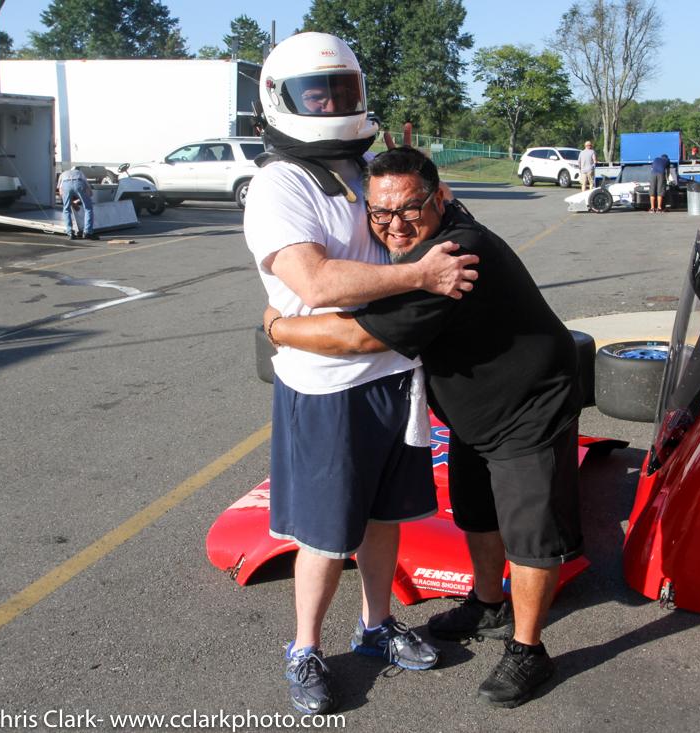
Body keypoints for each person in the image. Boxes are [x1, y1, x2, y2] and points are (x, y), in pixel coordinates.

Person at [264, 146, 583, 709]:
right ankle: (489, 605)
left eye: (410, 209)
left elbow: (356, 337)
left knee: (530, 535)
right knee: (477, 512)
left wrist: (276, 328)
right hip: (475, 408)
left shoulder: (448, 263)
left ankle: (529, 649)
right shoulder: (428, 241)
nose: (395, 225)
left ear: (438, 199)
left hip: (529, 403)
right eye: (380, 213)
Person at [243, 33, 479, 716]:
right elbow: (316, 282)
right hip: (328, 385)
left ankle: (376, 627)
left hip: (393, 374)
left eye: (340, 91)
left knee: (384, 516)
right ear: (280, 99)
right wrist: (419, 275)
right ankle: (304, 647)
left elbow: (423, 222)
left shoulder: (364, 166)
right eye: (316, 94)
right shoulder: (279, 183)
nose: (330, 104)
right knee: (325, 534)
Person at [57, 167, 96, 240]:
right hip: (79, 182)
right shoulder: (79, 172)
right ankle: (87, 232)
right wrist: (89, 195)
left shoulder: (62, 174)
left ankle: (70, 233)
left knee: (66, 209)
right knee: (88, 208)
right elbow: (87, 186)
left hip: (66, 184)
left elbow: (61, 191)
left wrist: (71, 203)